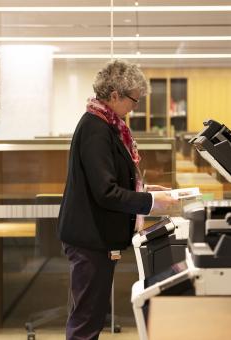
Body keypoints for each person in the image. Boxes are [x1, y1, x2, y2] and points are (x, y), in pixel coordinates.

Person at [57, 59, 178, 340]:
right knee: (86, 321)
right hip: (90, 238)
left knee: (90, 316)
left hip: (96, 236)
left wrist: (147, 190)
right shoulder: (96, 130)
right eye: (133, 101)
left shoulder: (106, 125)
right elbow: (105, 192)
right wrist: (150, 201)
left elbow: (112, 179)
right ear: (114, 95)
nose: (134, 108)